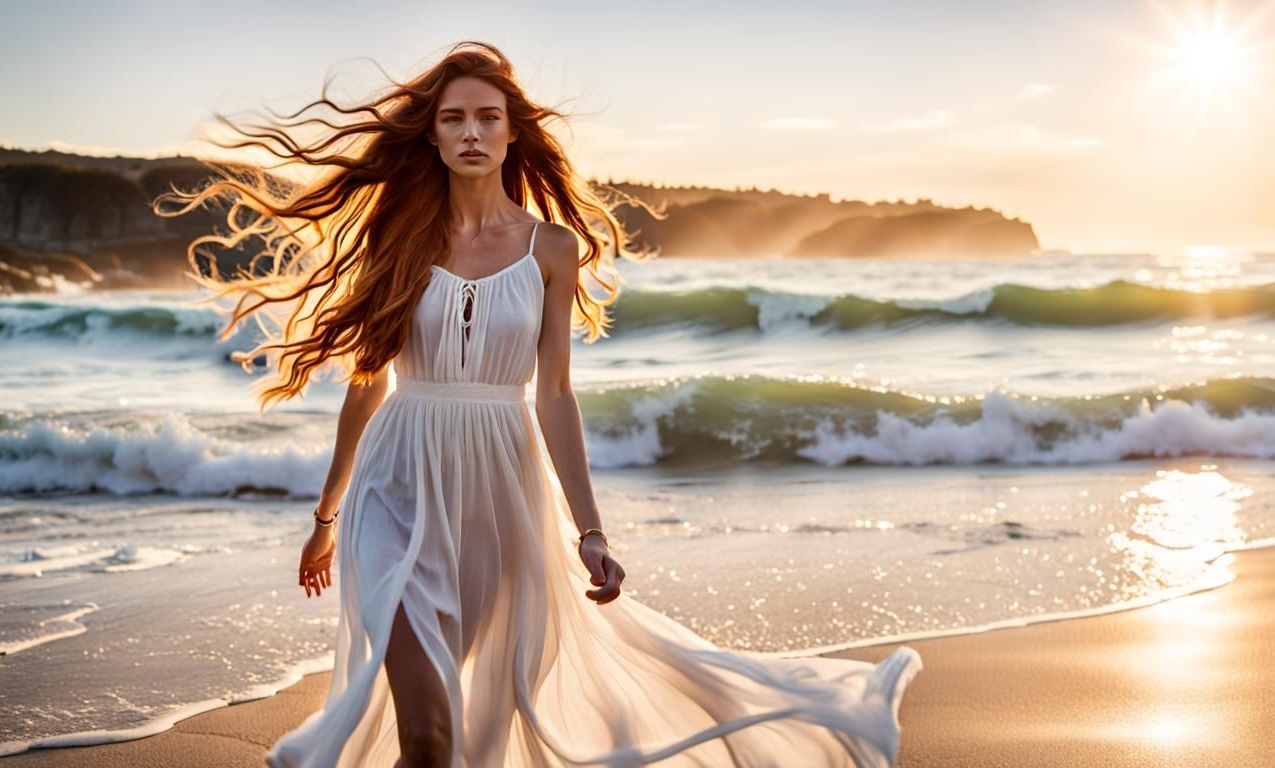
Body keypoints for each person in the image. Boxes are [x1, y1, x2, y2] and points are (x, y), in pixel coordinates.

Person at [157, 40, 920, 768]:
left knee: (461, 727)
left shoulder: (551, 248)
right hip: (394, 489)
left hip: (500, 499)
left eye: (487, 117)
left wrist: (590, 532)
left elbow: (554, 394)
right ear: (431, 134)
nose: (471, 132)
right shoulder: (398, 237)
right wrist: (327, 518)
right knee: (425, 728)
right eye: (454, 118)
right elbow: (368, 381)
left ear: (512, 131)